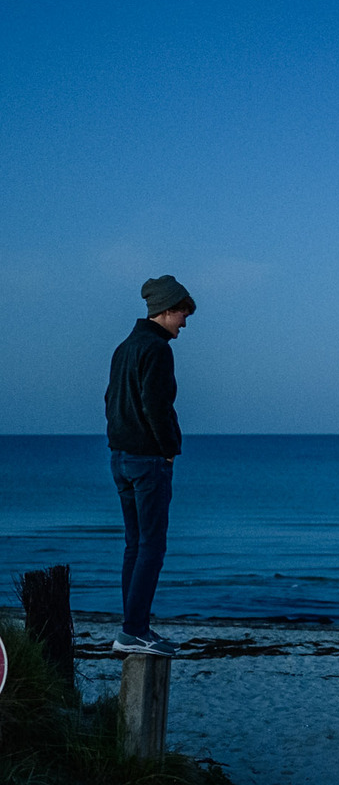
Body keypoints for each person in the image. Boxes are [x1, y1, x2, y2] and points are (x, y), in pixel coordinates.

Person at [105, 275, 196, 656]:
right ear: (167, 309)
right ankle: (134, 630)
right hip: (147, 461)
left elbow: (111, 400)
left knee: (135, 545)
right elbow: (156, 406)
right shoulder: (157, 349)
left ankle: (132, 629)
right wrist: (169, 449)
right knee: (152, 546)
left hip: (121, 458)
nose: (185, 323)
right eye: (183, 314)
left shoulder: (125, 347)